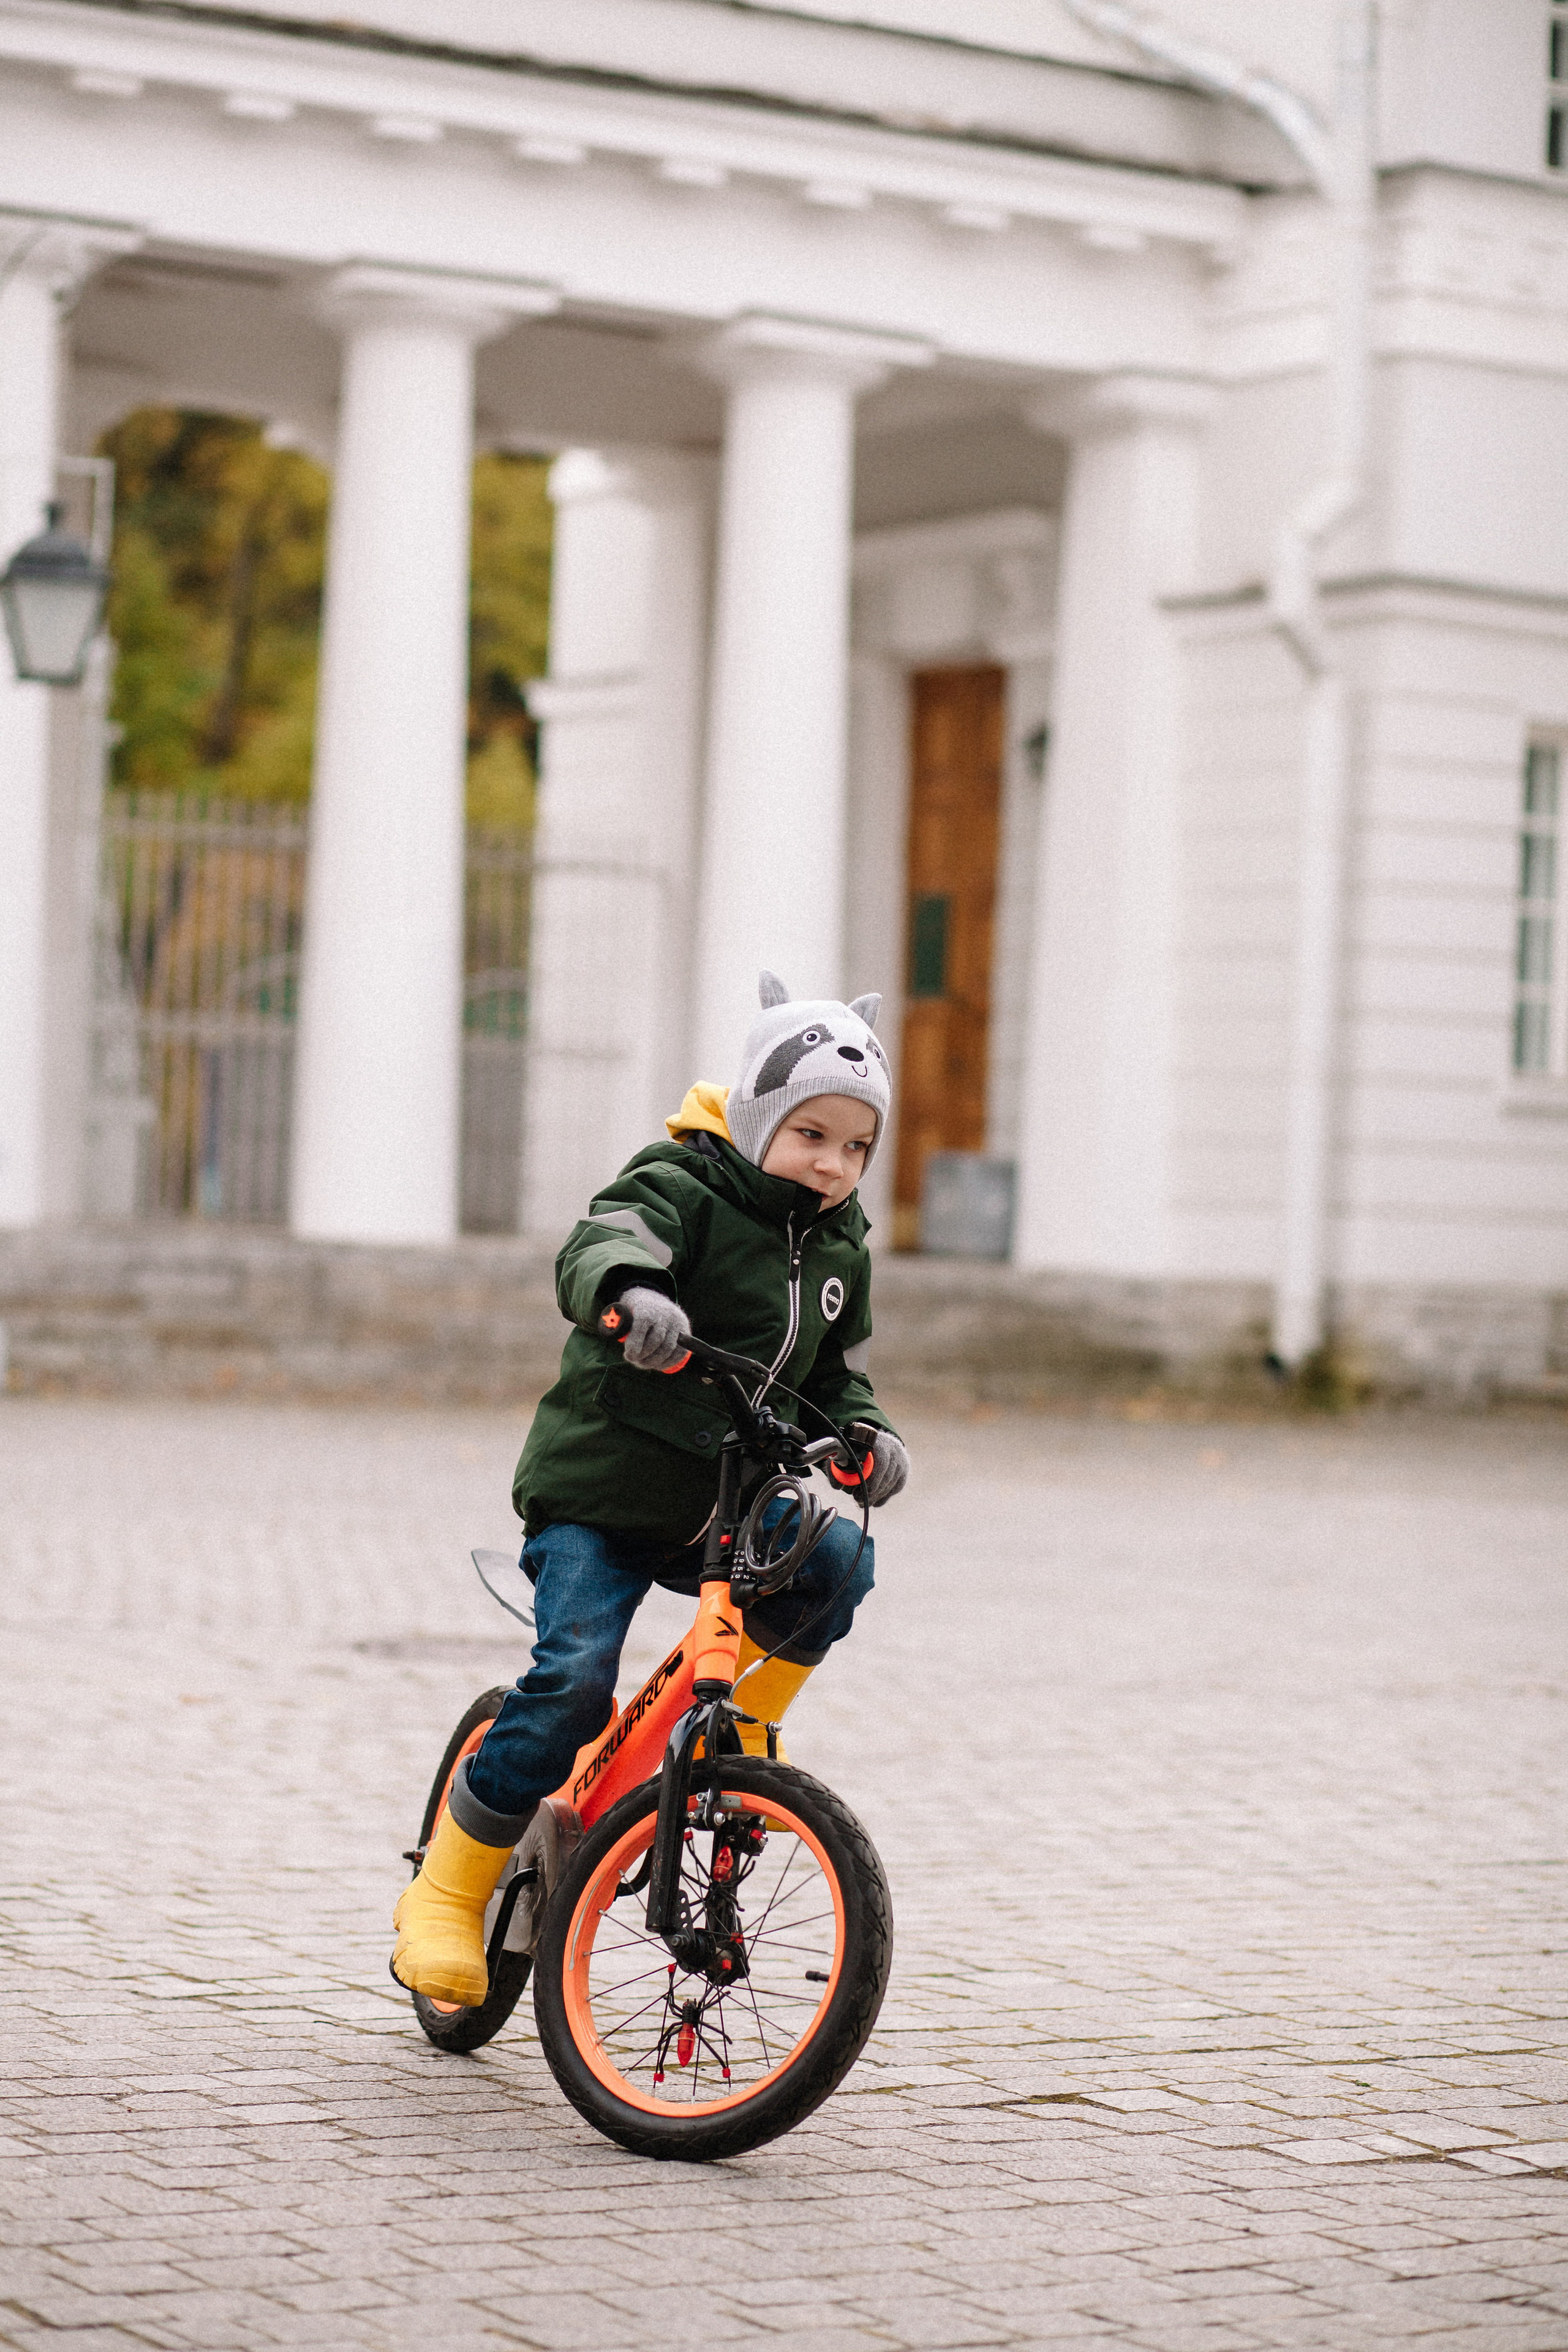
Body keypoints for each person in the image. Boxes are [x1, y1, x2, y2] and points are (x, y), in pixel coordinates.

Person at [393, 970, 910, 2007]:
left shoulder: (838, 1242)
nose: (834, 1163)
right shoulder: (683, 1184)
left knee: (838, 1561)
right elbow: (605, 1241)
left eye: (858, 1147)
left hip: (727, 1500)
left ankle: (736, 1736)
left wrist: (864, 1432)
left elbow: (835, 1374)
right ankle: (446, 1893)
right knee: (575, 1683)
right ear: (758, 1116)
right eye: (812, 1134)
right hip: (606, 1495)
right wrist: (632, 1295)